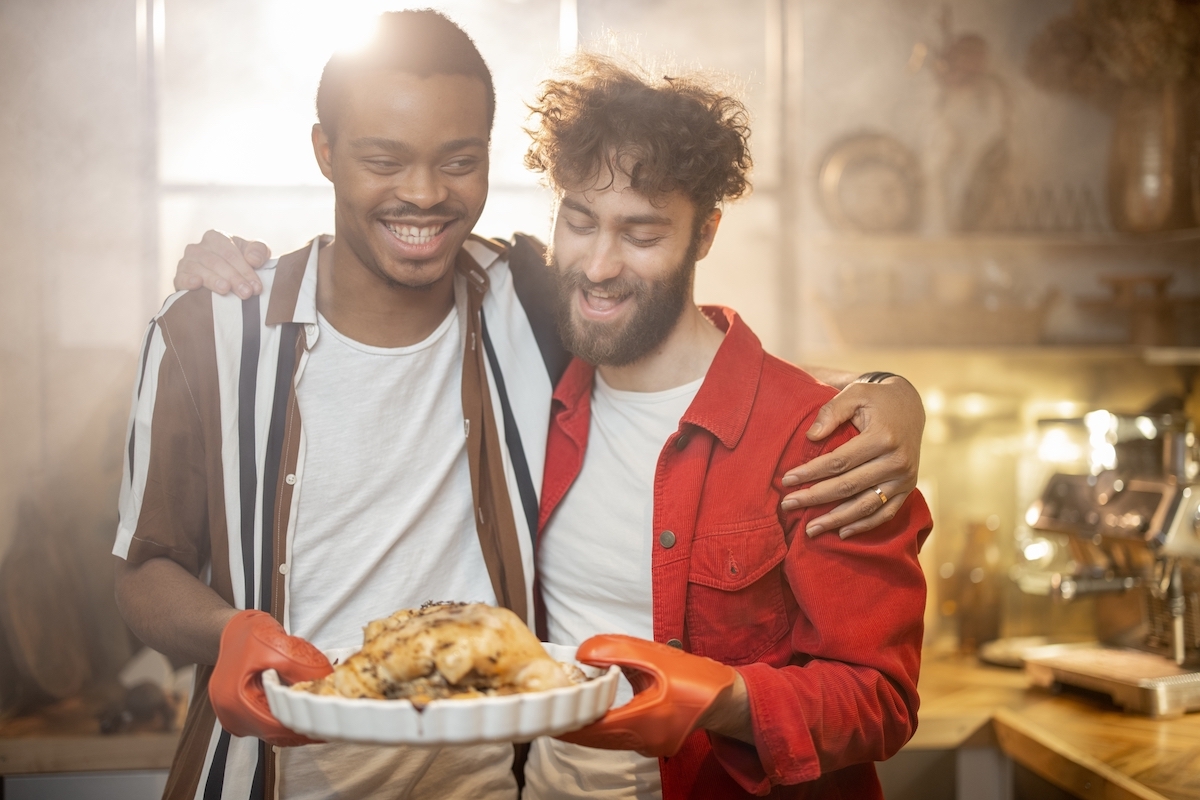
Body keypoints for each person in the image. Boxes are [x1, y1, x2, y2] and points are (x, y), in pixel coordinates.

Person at [132, 10, 923, 800]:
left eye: (458, 160)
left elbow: (719, 375)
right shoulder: (217, 331)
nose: (422, 193)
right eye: (580, 221)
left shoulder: (525, 304)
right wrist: (227, 631)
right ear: (325, 152)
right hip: (282, 778)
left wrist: (891, 395)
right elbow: (140, 566)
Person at [512, 56, 931, 799]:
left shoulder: (820, 438)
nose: (599, 264)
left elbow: (881, 698)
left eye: (641, 234)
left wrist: (721, 700)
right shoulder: (535, 382)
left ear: (704, 235)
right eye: (580, 221)